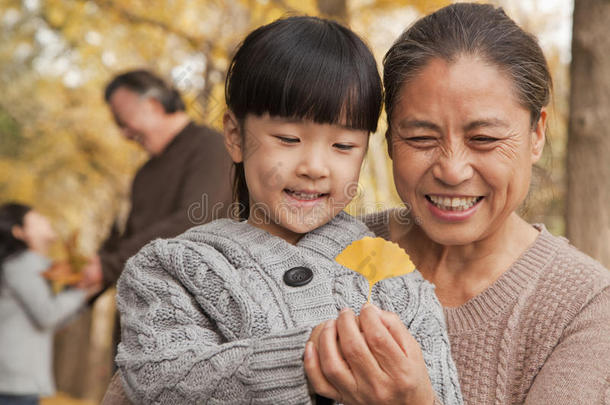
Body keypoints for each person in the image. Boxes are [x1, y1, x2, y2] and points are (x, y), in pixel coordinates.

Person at [104, 16, 463, 405]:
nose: (314, 166)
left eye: (343, 146)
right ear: (235, 136)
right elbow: (159, 380)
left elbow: (441, 390)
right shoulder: (172, 269)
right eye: (289, 138)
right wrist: (308, 360)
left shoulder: (393, 277)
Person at [362, 3, 610, 404]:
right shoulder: (334, 252)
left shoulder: (585, 307)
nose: (452, 170)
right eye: (422, 138)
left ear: (536, 134)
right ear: (390, 139)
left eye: (484, 139)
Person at [81, 69, 233, 290]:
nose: (124, 134)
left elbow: (194, 221)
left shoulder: (212, 148)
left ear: (153, 105)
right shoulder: (143, 175)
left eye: (123, 122)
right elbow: (130, 239)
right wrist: (98, 266)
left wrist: (109, 266)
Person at [0, 203, 101, 405]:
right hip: (13, 381)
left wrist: (83, 294)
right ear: (19, 232)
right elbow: (47, 314)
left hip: (16, 378)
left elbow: (55, 321)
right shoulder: (22, 264)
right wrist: (82, 292)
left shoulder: (33, 265)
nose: (44, 219)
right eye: (36, 218)